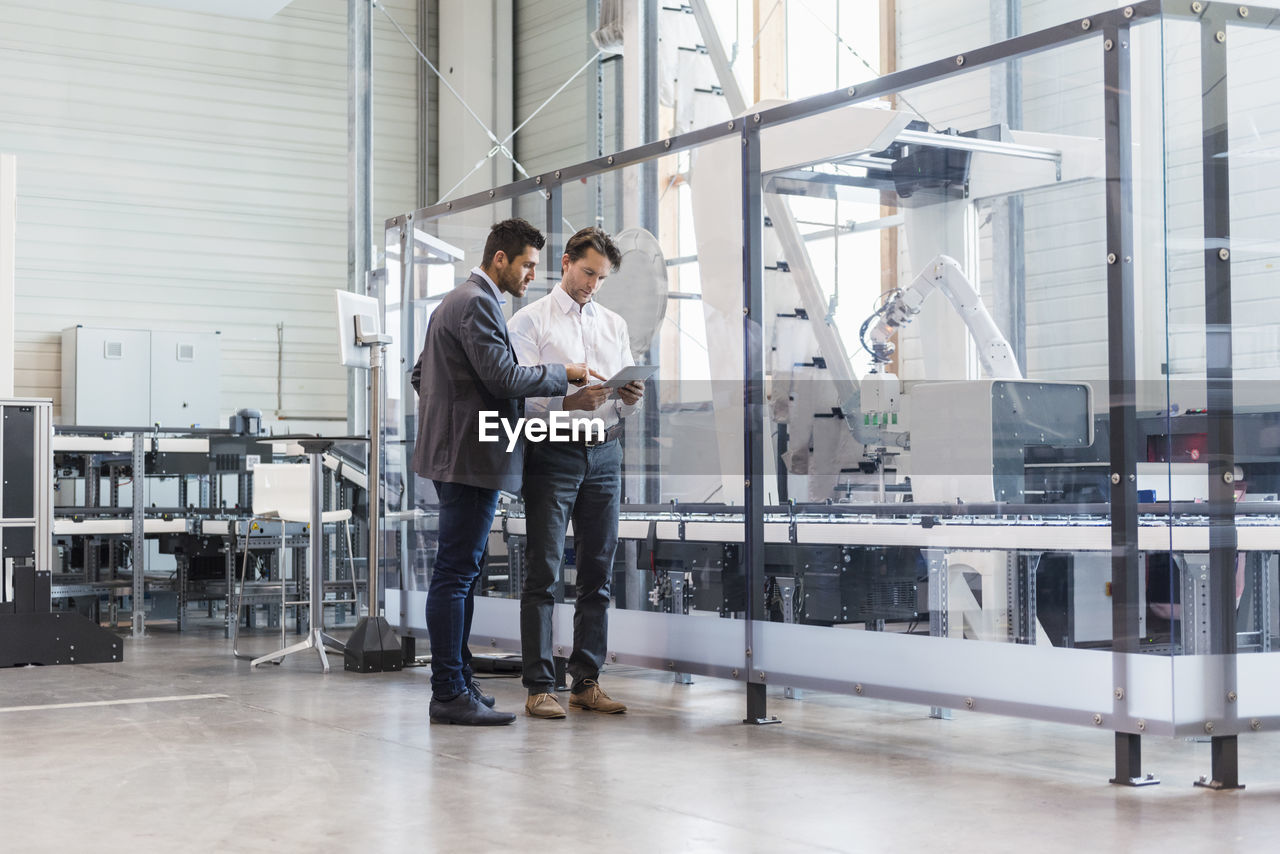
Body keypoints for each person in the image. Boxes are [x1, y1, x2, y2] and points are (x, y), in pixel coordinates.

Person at [411, 217, 593, 726]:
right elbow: (504, 377)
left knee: (462, 578)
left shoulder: (458, 301)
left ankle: (460, 682)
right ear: (500, 260)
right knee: (455, 576)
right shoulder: (477, 303)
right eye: (528, 264)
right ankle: (448, 692)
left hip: (461, 456)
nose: (533, 274)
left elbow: (421, 375)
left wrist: (450, 417)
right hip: (470, 461)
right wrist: (567, 373)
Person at [508, 227, 645, 719]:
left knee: (597, 572)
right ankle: (539, 686)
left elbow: (624, 394)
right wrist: (570, 402)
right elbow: (518, 398)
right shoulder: (529, 321)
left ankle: (586, 681)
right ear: (565, 262)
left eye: (601, 277)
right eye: (588, 272)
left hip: (605, 454)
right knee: (544, 571)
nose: (593, 284)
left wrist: (629, 399)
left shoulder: (614, 324)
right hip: (553, 453)